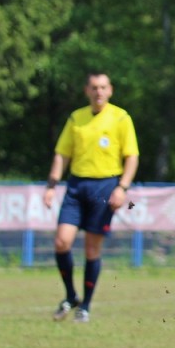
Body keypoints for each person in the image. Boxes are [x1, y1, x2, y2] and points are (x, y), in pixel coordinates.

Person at [43, 72, 139, 323]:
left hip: (105, 186)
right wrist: (52, 185)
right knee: (62, 242)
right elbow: (62, 154)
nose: (99, 92)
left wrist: (122, 188)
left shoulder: (121, 117)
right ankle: (71, 295)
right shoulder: (77, 118)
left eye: (103, 87)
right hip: (76, 185)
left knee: (91, 248)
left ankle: (84, 306)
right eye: (94, 87)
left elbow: (131, 156)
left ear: (110, 90)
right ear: (87, 90)